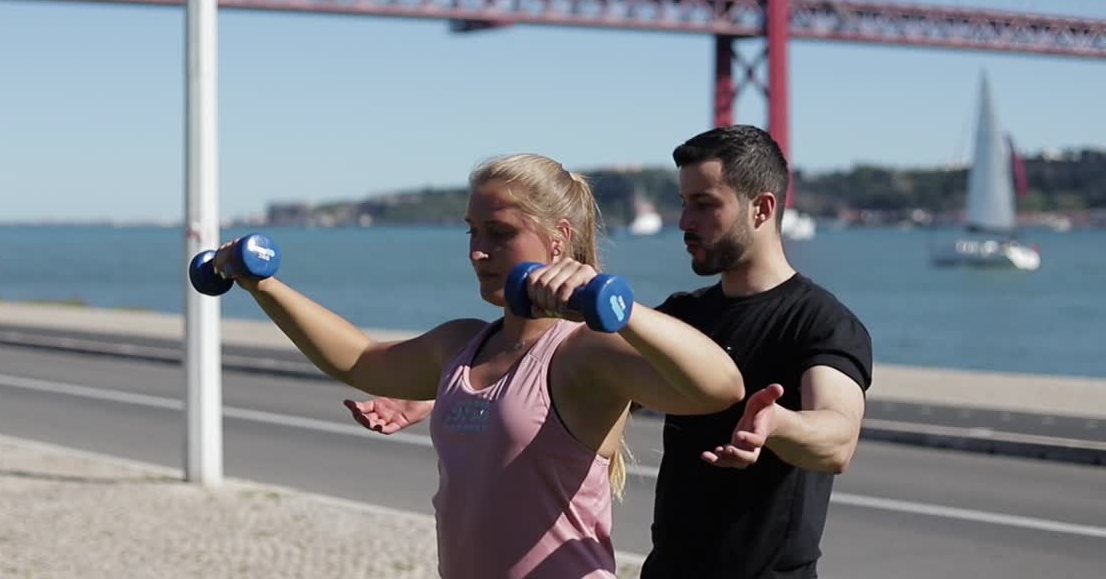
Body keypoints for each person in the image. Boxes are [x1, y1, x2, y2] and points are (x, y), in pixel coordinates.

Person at [346, 127, 874, 579]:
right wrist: (442, 396)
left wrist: (778, 425)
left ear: (763, 209)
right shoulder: (679, 317)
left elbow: (838, 438)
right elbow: (567, 389)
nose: (685, 221)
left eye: (705, 204)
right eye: (683, 203)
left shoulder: (819, 321)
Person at [214, 153, 744, 579]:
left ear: (557, 239)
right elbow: (356, 358)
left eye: (499, 233)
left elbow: (721, 387)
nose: (477, 252)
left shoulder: (583, 353)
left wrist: (619, 308)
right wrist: (259, 283)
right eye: (472, 232)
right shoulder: (462, 345)